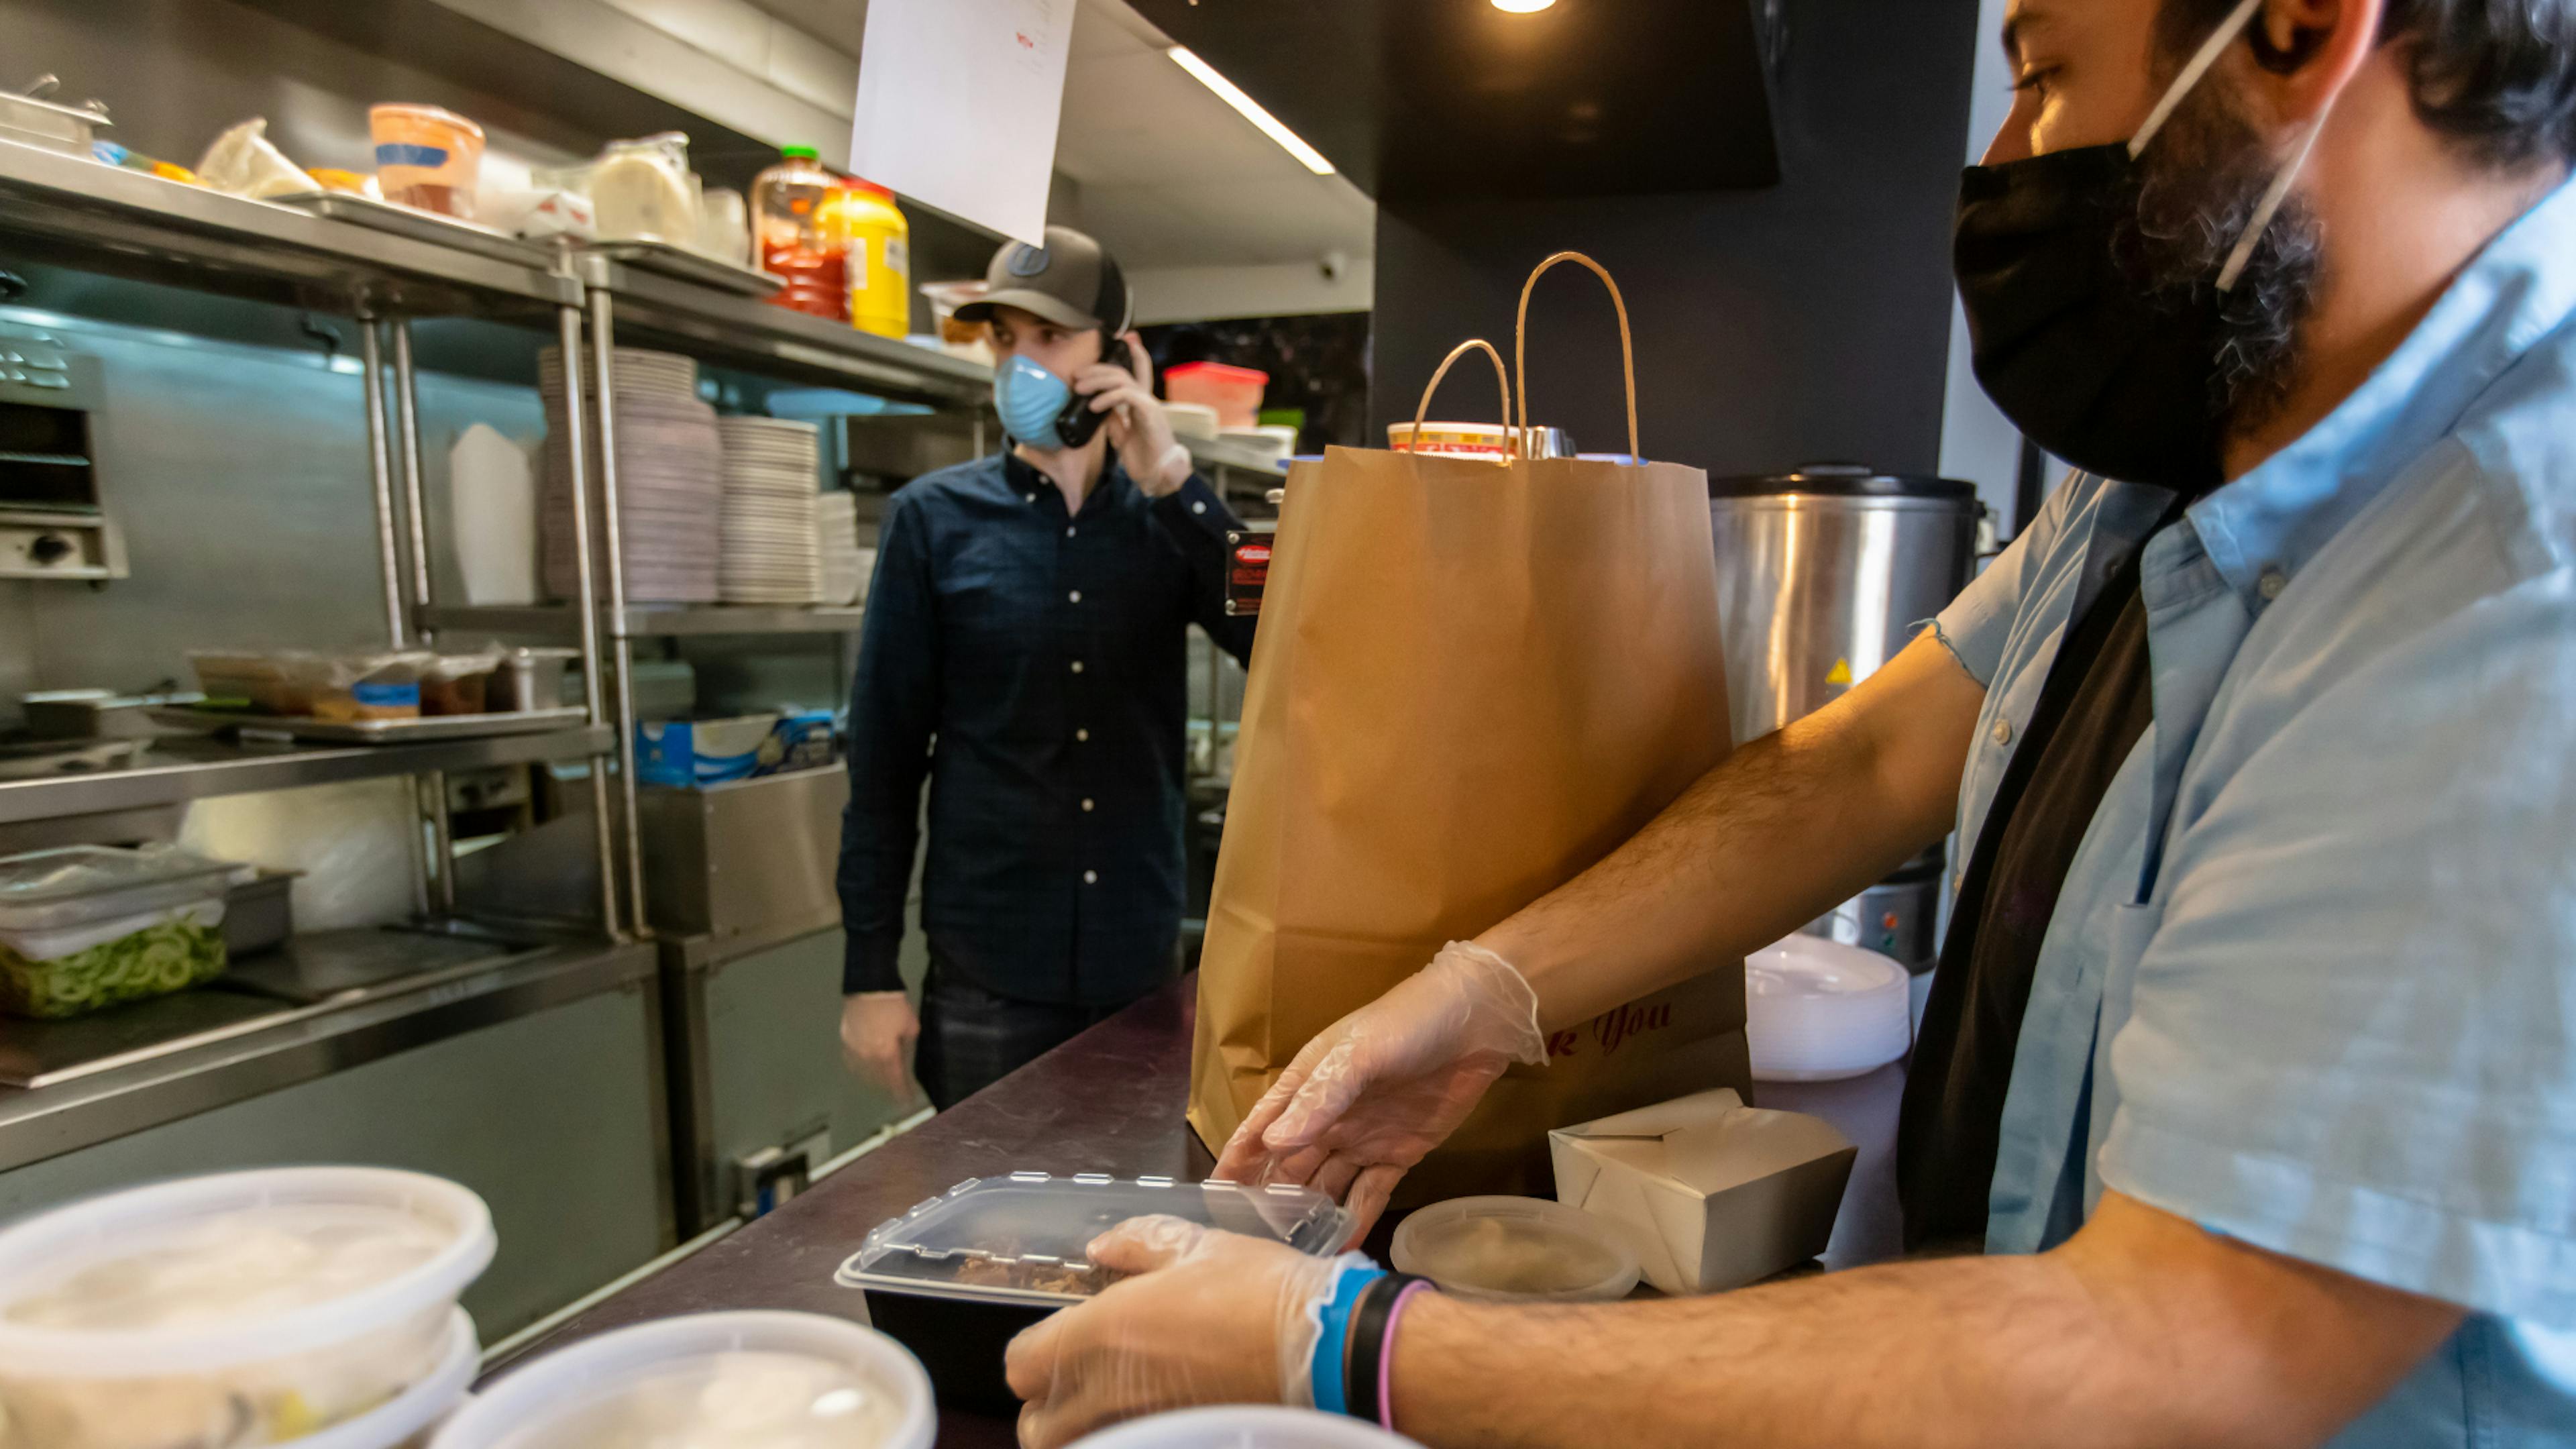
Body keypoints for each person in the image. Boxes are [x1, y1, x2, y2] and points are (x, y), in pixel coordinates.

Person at [1002, 0, 2576, 1444]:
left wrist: (1349, 1349)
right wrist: (1487, 994)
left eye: (2037, 78)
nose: (2003, 157)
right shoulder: (2170, 464)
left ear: (2303, 27)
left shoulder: (2506, 590)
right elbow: (1872, 758)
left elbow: (2181, 1352)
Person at [837, 225, 1255, 1112]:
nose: (1021, 365)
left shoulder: (1167, 518)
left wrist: (1175, 479)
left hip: (1138, 965)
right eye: (1006, 340)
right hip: (989, 971)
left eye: (1051, 340)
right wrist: (869, 976)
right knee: (991, 1244)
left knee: (1143, 1236)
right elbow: (882, 761)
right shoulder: (932, 522)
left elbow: (1275, 642)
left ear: (1118, 354)